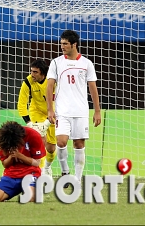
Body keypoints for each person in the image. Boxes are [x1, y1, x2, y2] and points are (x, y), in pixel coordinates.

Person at [46, 30, 101, 187]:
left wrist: (97, 111)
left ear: (74, 44)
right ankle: (65, 172)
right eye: (61, 43)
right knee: (61, 141)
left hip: (81, 111)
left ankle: (77, 179)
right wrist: (50, 109)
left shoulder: (86, 63)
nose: (62, 46)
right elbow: (49, 87)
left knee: (79, 144)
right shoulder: (56, 62)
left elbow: (93, 88)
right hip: (62, 112)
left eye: (65, 44)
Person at [0, 121, 45, 202]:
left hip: (31, 174)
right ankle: (16, 189)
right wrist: (11, 157)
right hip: (11, 176)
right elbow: (5, 165)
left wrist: (19, 156)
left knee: (30, 198)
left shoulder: (33, 135)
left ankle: (34, 188)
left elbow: (37, 162)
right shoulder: (3, 139)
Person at [17, 59, 56, 177]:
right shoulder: (28, 81)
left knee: (51, 148)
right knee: (39, 139)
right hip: (36, 111)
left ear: (43, 73)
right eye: (31, 71)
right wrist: (28, 122)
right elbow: (21, 104)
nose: (32, 74)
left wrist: (53, 116)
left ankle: (47, 167)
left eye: (35, 72)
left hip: (53, 112)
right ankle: (41, 172)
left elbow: (62, 99)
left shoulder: (53, 82)